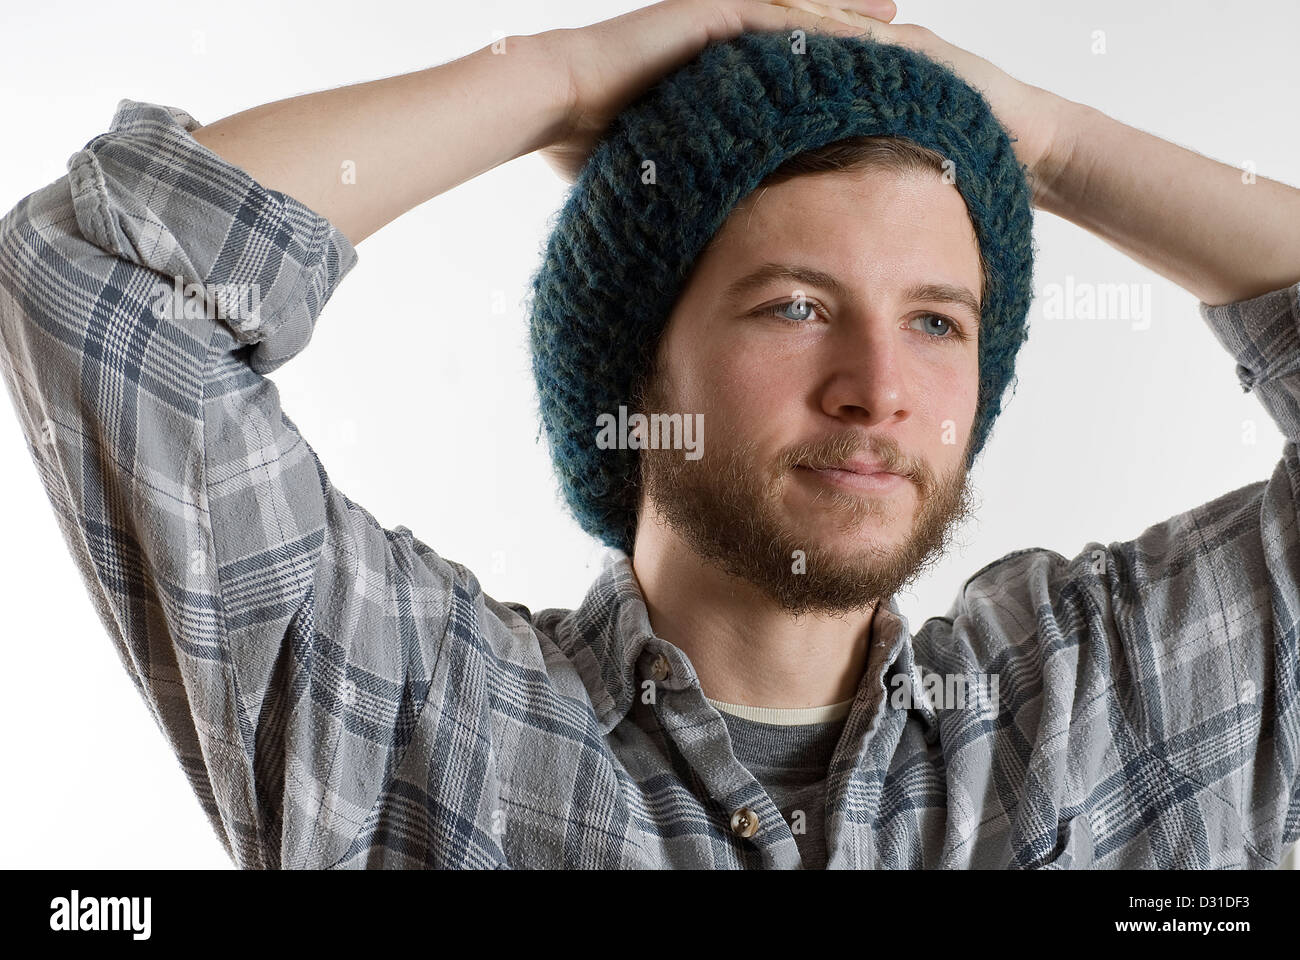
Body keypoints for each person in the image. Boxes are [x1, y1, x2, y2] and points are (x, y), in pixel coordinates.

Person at [0, 0, 1296, 869]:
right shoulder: (415, 716)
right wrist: (562, 80)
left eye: (940, 323)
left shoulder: (1103, 712)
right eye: (795, 305)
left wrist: (1048, 147)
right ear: (638, 361)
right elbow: (96, 280)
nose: (878, 387)